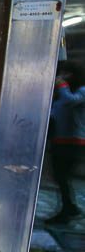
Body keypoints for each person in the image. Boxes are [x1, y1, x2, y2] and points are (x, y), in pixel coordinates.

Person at [47, 60, 85, 224]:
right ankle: (68, 207)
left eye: (65, 74)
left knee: (62, 176)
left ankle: (69, 208)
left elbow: (71, 100)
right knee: (59, 176)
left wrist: (61, 85)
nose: (62, 78)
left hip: (73, 141)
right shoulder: (61, 95)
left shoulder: (81, 91)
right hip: (60, 140)